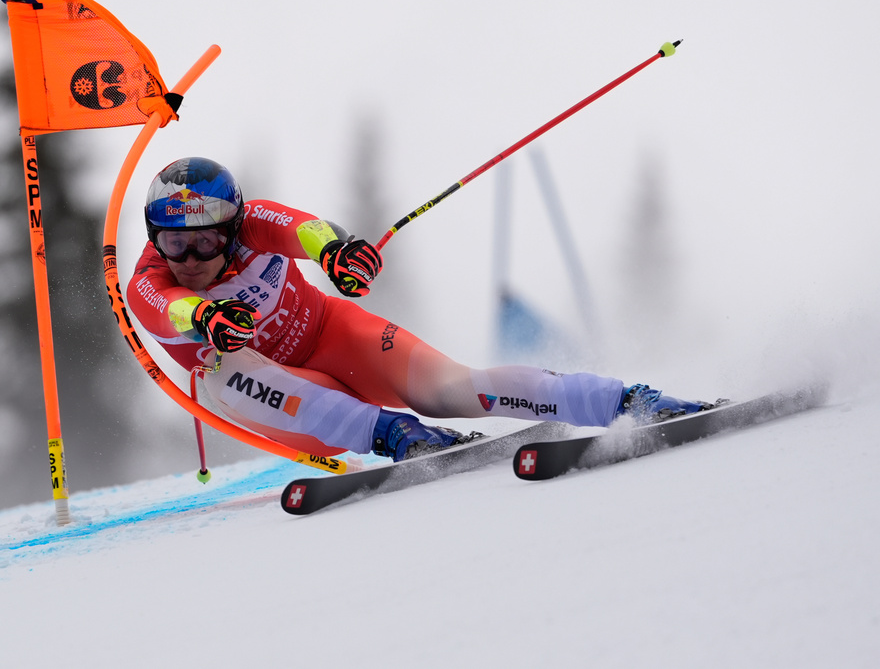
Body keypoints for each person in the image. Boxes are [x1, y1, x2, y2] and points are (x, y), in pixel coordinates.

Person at [128, 157, 711, 462]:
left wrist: (336, 250)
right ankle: (393, 434)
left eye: (206, 240)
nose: (190, 256)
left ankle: (624, 400)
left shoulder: (253, 220)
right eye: (173, 240)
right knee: (219, 372)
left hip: (334, 336)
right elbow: (167, 309)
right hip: (283, 401)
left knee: (452, 388)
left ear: (231, 230)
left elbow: (304, 229)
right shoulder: (149, 281)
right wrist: (205, 318)